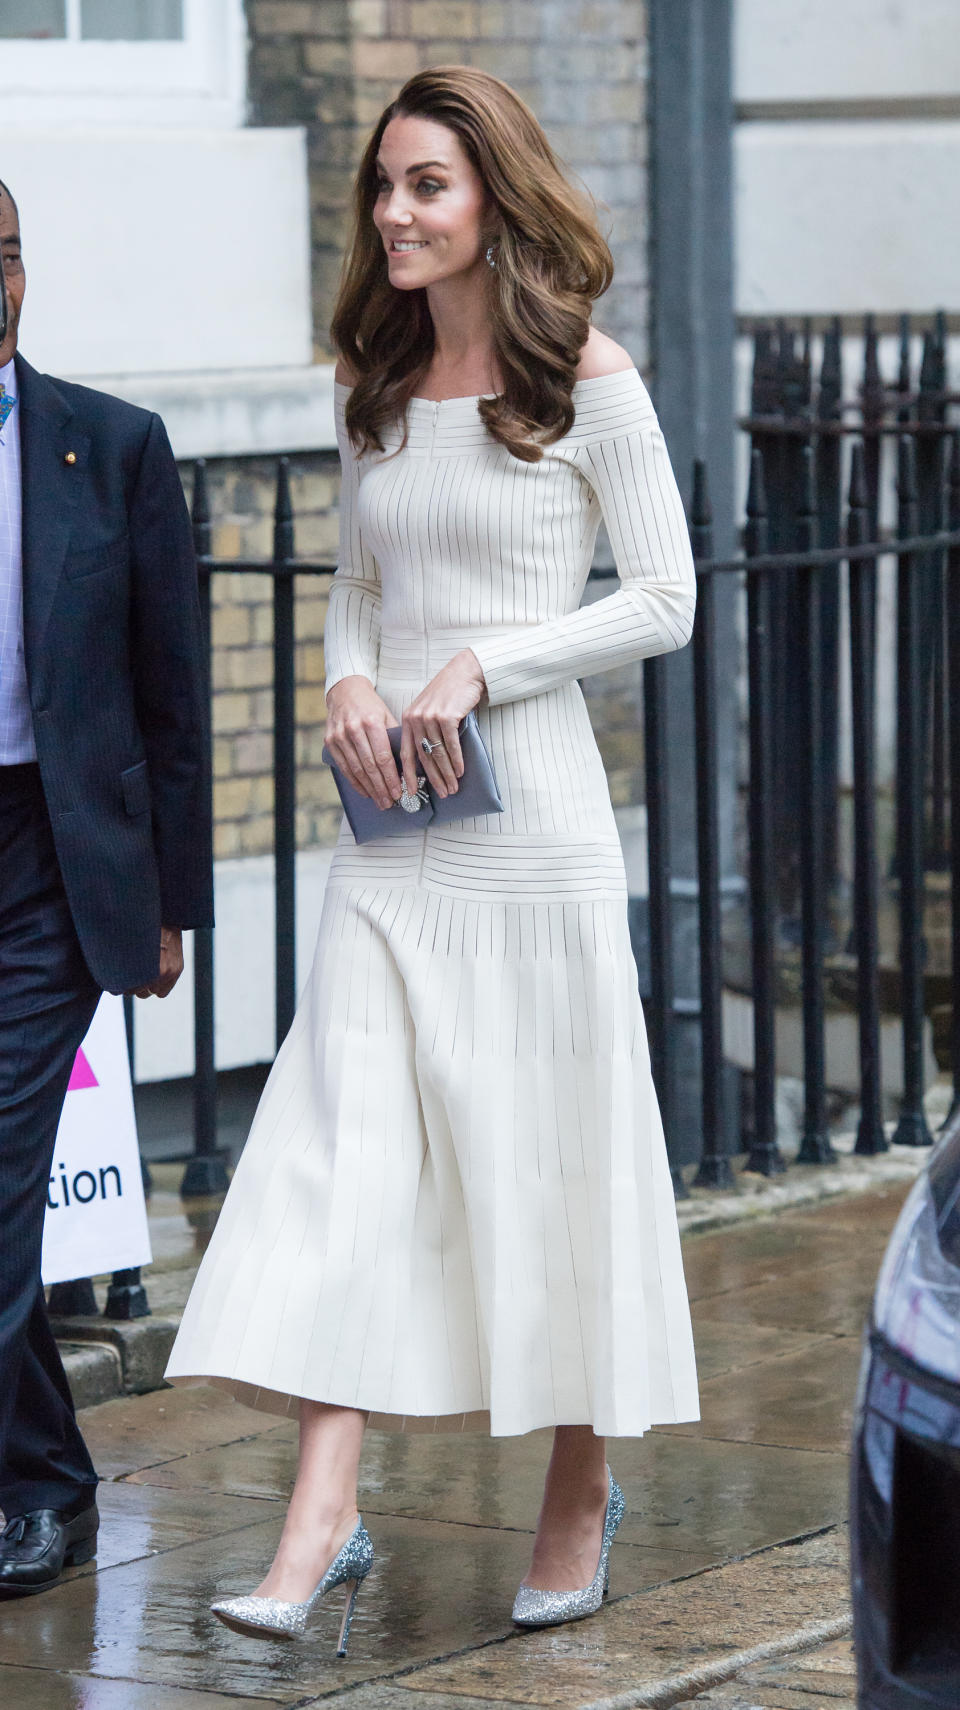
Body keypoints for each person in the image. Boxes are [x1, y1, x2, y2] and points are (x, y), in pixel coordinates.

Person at [165, 66, 699, 1651]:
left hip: (529, 838)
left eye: (427, 188)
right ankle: (320, 1518)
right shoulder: (374, 381)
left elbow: (665, 597)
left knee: (551, 1162)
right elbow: (351, 587)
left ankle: (578, 1493)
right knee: (345, 1163)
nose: (395, 213)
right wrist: (345, 672)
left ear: (494, 203)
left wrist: (488, 664)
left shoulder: (585, 380)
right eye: (383, 187)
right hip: (394, 840)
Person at [0, 179, 213, 1598]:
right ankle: (48, 1471)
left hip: (46, 857)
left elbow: (171, 693)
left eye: (2, 255)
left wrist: (173, 901)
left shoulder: (110, 446)